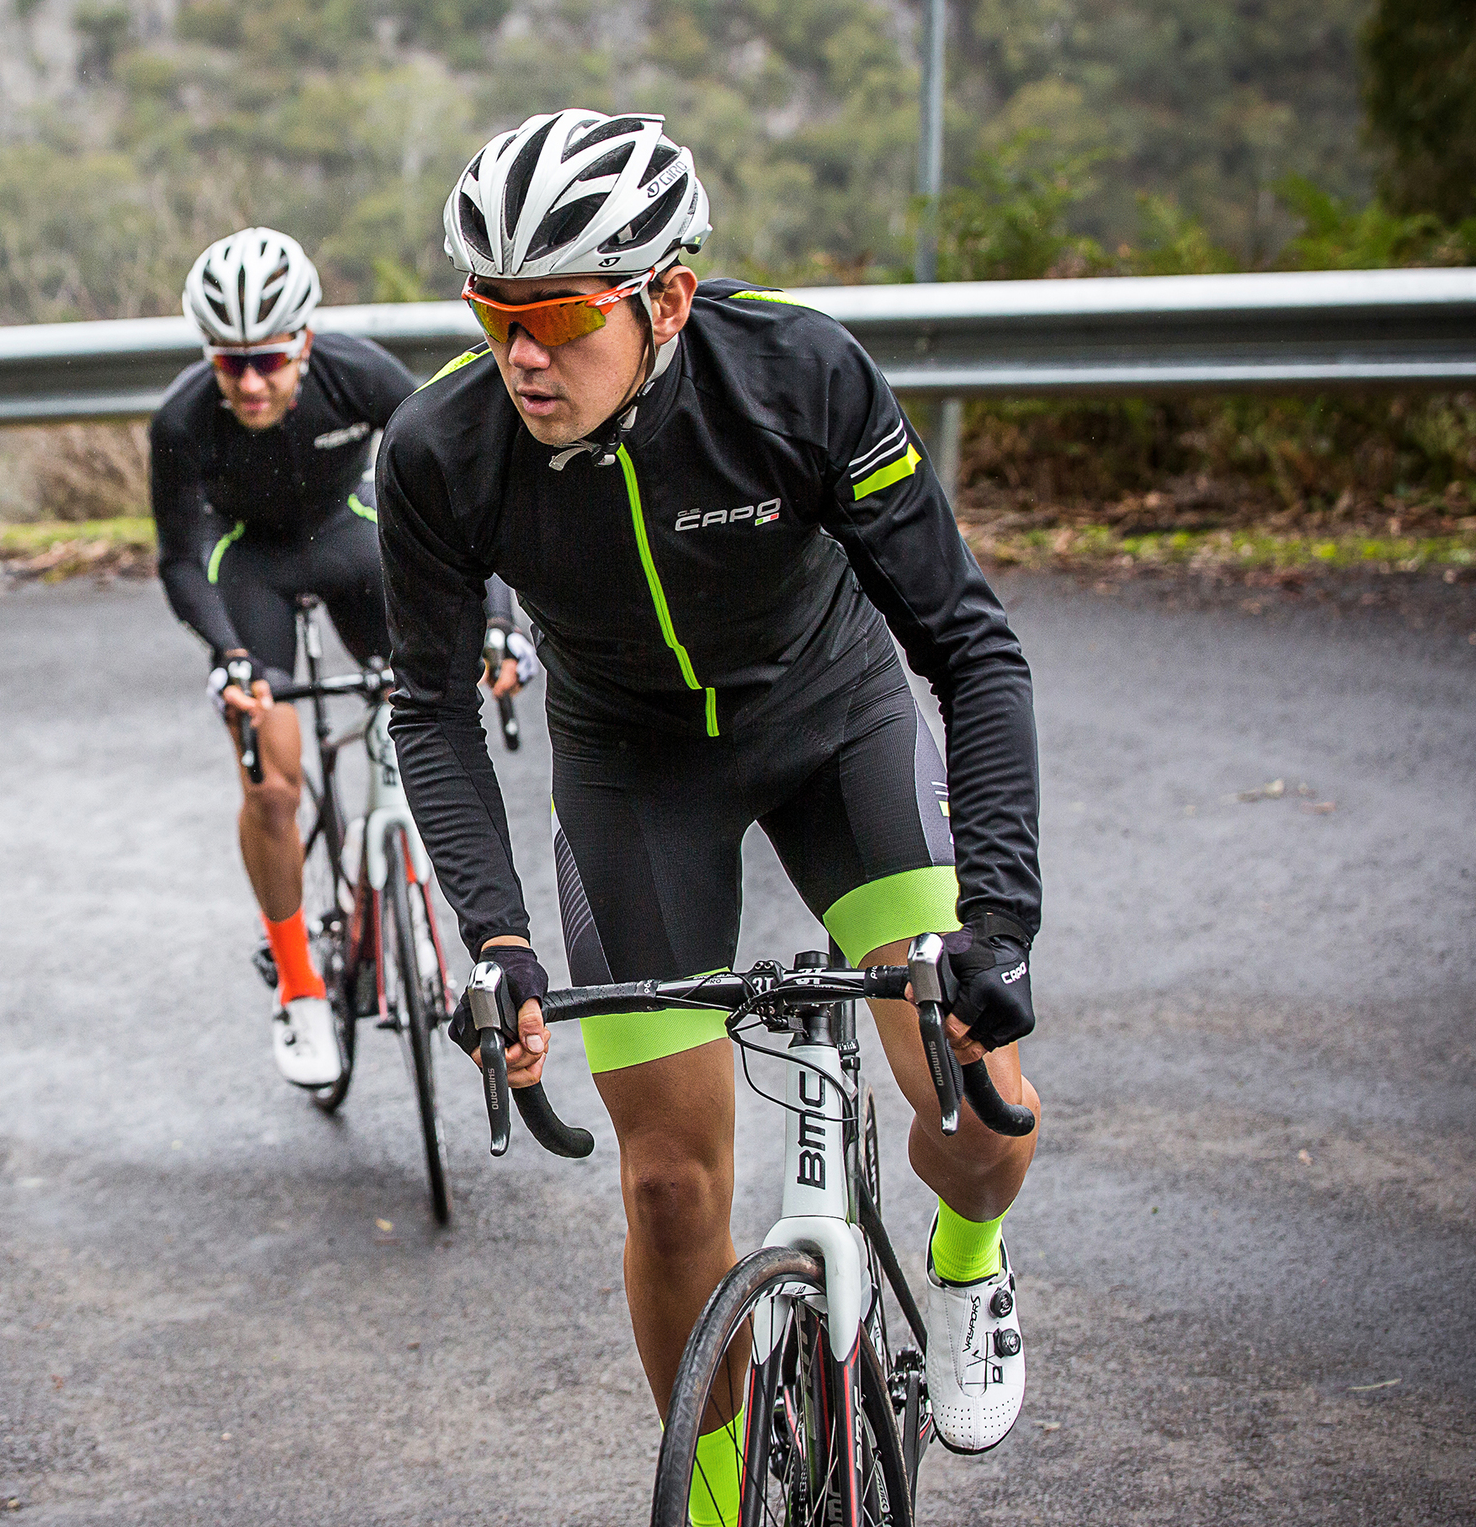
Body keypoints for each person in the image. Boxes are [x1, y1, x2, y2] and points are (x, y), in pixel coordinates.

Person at [376, 110, 1044, 1520]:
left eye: (558, 312)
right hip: (631, 764)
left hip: (834, 725)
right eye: (492, 311)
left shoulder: (798, 377)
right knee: (671, 1184)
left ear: (666, 296)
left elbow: (970, 646)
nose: (523, 355)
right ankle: (729, 1489)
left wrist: (1002, 921)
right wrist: (495, 939)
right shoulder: (443, 448)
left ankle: (972, 1267)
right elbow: (430, 710)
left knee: (984, 1104)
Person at [151, 226, 525, 1090]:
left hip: (347, 540)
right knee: (272, 784)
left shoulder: (360, 375)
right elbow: (179, 554)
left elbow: (462, 496)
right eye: (229, 362)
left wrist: (499, 619)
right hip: (249, 569)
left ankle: (397, 860)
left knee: (427, 704)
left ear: (305, 343)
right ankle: (300, 985)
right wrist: (230, 655)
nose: (250, 382)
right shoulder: (181, 417)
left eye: (270, 360)